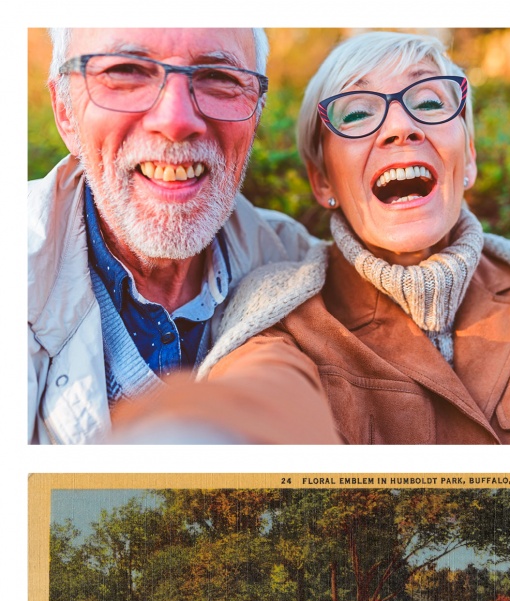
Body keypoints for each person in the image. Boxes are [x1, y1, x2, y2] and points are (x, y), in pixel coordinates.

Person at [189, 30, 510, 445]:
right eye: (356, 114)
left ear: (470, 159)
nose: (402, 128)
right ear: (322, 181)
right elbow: (256, 404)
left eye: (428, 103)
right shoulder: (280, 319)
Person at [28, 27, 338, 444]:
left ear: (256, 113)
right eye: (126, 72)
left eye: (219, 78)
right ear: (65, 111)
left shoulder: (299, 266)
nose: (175, 121)